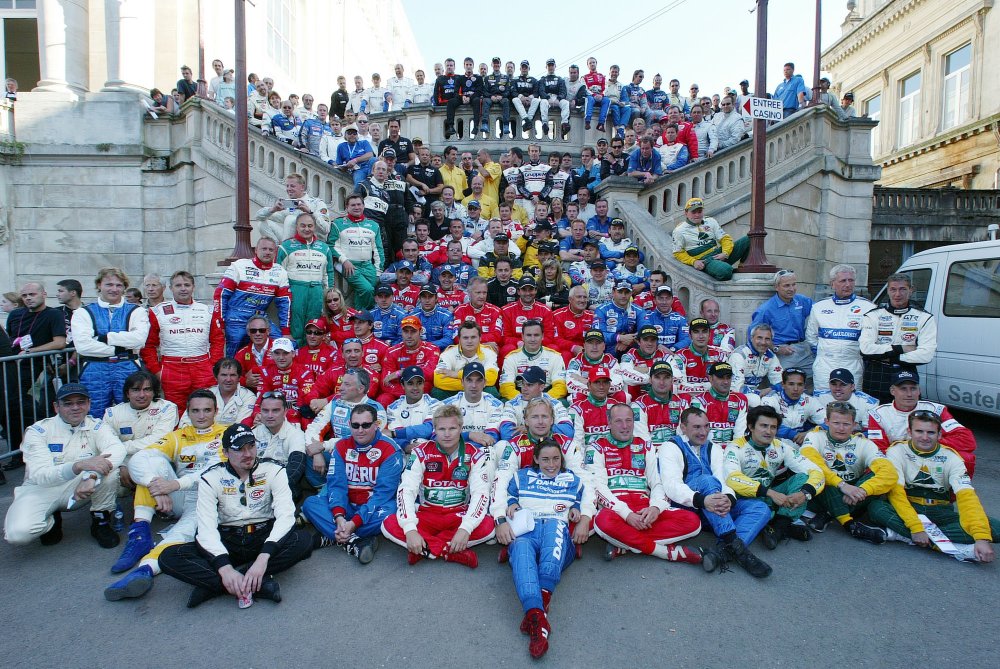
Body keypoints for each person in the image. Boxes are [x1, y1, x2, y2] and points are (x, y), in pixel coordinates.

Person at [157, 423, 314, 608]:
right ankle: (255, 584)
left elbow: (286, 516)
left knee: (303, 541)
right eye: (239, 449)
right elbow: (206, 528)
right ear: (225, 452)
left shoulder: (274, 470)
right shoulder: (211, 477)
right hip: (227, 539)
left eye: (251, 446)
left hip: (262, 536)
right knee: (169, 556)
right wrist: (224, 567)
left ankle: (219, 584)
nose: (247, 454)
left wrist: (263, 558)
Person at [102, 390, 227, 599]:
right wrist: (155, 485)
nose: (201, 415)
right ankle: (140, 533)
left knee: (182, 532)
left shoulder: (228, 433)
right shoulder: (178, 435)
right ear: (188, 412)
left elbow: (217, 469)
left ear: (216, 411)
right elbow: (139, 459)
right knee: (152, 464)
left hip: (209, 498)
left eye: (207, 410)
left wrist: (172, 485)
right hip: (176, 493)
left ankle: (146, 569)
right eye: (195, 410)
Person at [4, 383, 125, 548]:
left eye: (81, 402)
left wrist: (92, 475)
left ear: (89, 404)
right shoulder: (38, 431)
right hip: (42, 488)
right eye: (68, 403)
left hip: (81, 485)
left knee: (109, 470)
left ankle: (100, 522)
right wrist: (78, 466)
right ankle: (52, 519)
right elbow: (41, 475)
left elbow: (117, 449)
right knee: (17, 535)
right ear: (56, 407)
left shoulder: (97, 426)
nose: (75, 407)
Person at [867, 411, 997, 563]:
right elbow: (896, 494)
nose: (925, 437)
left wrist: (981, 537)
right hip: (909, 507)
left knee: (995, 528)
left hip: (941, 511)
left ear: (939, 434)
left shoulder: (952, 457)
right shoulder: (896, 451)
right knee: (876, 508)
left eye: (931, 432)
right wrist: (916, 527)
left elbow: (967, 498)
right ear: (909, 432)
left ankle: (898, 535)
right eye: (919, 431)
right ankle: (956, 548)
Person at [659, 407, 772, 577]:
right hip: (687, 506)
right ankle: (737, 547)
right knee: (707, 480)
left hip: (715, 507)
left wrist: (729, 499)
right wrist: (702, 500)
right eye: (697, 427)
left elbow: (723, 480)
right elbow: (672, 485)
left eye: (706, 426)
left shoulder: (715, 448)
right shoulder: (670, 447)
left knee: (760, 508)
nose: (703, 432)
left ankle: (722, 552)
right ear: (683, 427)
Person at [585, 403, 702, 564]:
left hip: (644, 508)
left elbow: (658, 482)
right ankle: (667, 552)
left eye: (629, 420)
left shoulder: (646, 446)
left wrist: (656, 507)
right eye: (618, 421)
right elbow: (598, 488)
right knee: (602, 521)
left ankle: (625, 543)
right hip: (616, 510)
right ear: (609, 423)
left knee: (693, 521)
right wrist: (627, 514)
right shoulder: (596, 448)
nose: (625, 426)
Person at [381, 405, 496, 567]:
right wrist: (410, 529)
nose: (447, 434)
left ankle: (424, 549)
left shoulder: (475, 454)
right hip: (427, 514)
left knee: (489, 526)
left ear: (461, 428)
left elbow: (481, 494)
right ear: (434, 430)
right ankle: (449, 551)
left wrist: (466, 528)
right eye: (442, 429)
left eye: (452, 428)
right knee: (388, 524)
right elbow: (406, 490)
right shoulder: (420, 452)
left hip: (458, 515)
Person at [503, 438, 586, 658]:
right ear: (536, 459)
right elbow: (508, 496)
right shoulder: (521, 477)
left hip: (555, 533)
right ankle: (537, 618)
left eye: (556, 459)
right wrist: (511, 503)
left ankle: (536, 614)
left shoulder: (573, 480)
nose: (551, 464)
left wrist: (576, 509)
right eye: (546, 459)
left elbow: (581, 501)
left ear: (562, 459)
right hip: (528, 530)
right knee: (520, 547)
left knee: (554, 526)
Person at [302, 405, 403, 563]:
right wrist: (339, 516)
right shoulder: (341, 446)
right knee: (310, 504)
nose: (360, 430)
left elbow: (382, 495)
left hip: (375, 508)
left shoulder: (391, 450)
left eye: (366, 425)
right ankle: (353, 541)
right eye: (355, 425)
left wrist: (355, 522)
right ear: (349, 425)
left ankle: (333, 534)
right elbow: (336, 486)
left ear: (376, 425)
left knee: (393, 512)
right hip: (348, 506)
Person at [724, 405, 825, 549]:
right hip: (743, 500)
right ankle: (783, 527)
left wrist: (805, 494)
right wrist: (770, 493)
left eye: (773, 427)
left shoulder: (780, 446)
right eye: (763, 426)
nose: (769, 431)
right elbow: (732, 478)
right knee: (761, 508)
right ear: (751, 427)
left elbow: (816, 471)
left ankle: (778, 527)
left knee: (803, 478)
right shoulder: (735, 447)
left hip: (769, 497)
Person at [799, 402, 896, 542]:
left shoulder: (864, 443)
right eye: (836, 423)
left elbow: (889, 473)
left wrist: (863, 490)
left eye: (846, 424)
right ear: (827, 422)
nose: (841, 428)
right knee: (818, 473)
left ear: (854, 425)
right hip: (824, 492)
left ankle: (828, 514)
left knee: (879, 476)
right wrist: (842, 485)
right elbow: (809, 460)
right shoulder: (815, 436)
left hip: (853, 493)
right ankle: (850, 525)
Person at [72, 269, 150, 418]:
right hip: (95, 368)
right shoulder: (83, 312)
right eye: (109, 284)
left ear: (124, 287)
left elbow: (139, 340)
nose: (114, 289)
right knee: (95, 414)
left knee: (132, 413)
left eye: (119, 285)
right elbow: (83, 346)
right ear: (99, 285)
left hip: (128, 366)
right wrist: (120, 348)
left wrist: (104, 338)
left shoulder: (137, 311)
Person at [140, 271, 222, 414]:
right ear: (170, 288)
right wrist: (157, 371)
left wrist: (212, 365)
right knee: (175, 412)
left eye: (187, 285)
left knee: (205, 408)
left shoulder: (207, 310)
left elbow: (218, 340)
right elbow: (148, 345)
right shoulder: (157, 312)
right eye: (178, 285)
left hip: (202, 367)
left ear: (193, 287)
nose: (183, 288)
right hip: (172, 368)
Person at [866, 369, 977, 474]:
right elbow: (878, 450)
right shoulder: (878, 414)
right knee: (872, 464)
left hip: (932, 456)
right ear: (892, 391)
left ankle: (956, 488)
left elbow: (967, 441)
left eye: (913, 389)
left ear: (919, 390)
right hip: (899, 460)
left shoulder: (936, 410)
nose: (909, 394)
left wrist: (926, 443)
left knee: (966, 458)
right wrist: (909, 450)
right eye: (903, 389)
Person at [859, 272, 937, 402]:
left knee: (907, 411)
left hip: (907, 371)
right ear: (887, 290)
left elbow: (926, 354)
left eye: (902, 289)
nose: (897, 294)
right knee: (873, 412)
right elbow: (866, 349)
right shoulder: (872, 316)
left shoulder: (924, 317)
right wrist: (901, 348)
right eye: (893, 289)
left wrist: (890, 357)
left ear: (911, 290)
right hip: (876, 373)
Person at [101, 371, 179, 493]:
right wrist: (121, 465)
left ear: (154, 392)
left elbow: (158, 440)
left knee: (155, 467)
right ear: (127, 393)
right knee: (108, 477)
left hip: (153, 458)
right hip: (123, 460)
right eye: (136, 390)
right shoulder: (112, 413)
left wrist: (120, 448)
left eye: (147, 389)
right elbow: (106, 445)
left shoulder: (167, 408)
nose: (142, 395)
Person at [215, 237, 291, 357]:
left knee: (282, 343)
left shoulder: (280, 272)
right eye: (264, 249)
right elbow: (220, 295)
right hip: (236, 316)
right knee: (235, 346)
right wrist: (220, 323)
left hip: (260, 316)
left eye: (271, 250)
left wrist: (286, 331)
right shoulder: (239, 266)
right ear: (256, 250)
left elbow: (285, 303)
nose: (267, 252)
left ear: (275, 252)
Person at [805, 264, 874, 393]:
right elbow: (811, 336)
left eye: (851, 280)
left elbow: (871, 338)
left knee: (851, 400)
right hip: (825, 364)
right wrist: (825, 352)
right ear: (832, 284)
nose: (848, 284)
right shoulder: (819, 307)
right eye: (843, 281)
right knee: (823, 400)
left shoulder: (868, 307)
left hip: (852, 363)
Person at [278, 214, 336, 343]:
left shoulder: (324, 248)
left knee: (314, 325)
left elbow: (329, 273)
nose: (307, 229)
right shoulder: (286, 246)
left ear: (314, 227)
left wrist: (329, 293)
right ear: (297, 227)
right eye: (303, 226)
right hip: (296, 290)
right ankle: (297, 351)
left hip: (317, 291)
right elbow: (279, 272)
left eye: (310, 226)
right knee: (296, 325)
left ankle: (311, 353)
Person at [749, 269, 814, 375]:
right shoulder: (766, 309)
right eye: (786, 285)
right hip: (783, 353)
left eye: (794, 284)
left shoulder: (801, 301)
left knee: (815, 378)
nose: (791, 289)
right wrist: (776, 349)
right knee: (783, 381)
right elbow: (753, 335)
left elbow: (820, 312)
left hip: (804, 349)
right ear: (776, 287)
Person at [671, 198, 750, 281]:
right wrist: (693, 262)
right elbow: (678, 252)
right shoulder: (679, 230)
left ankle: (743, 267)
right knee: (726, 271)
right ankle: (720, 268)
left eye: (699, 212)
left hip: (719, 254)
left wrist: (725, 253)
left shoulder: (710, 221)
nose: (697, 215)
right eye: (693, 212)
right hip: (705, 261)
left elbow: (725, 239)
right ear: (686, 213)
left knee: (750, 239)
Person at [329, 194, 384, 310]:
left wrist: (378, 270)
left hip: (368, 266)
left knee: (363, 293)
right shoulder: (338, 223)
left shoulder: (374, 225)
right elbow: (331, 245)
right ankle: (366, 316)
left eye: (359, 204)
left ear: (364, 206)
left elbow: (378, 250)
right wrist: (344, 261)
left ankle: (359, 317)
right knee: (367, 290)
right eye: (353, 205)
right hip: (349, 266)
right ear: (347, 207)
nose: (356, 207)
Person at [248, 338, 316, 429]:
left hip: (295, 414)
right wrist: (258, 414)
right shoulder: (266, 372)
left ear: (293, 354)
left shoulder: (305, 372)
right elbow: (261, 398)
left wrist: (281, 412)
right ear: (272, 355)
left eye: (285, 353)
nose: (281, 357)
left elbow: (304, 401)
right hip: (271, 413)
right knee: (247, 422)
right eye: (277, 353)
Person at [251, 392, 307, 494]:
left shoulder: (296, 434)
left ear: (285, 412)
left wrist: (269, 489)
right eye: (265, 410)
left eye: (275, 410)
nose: (270, 415)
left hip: (282, 488)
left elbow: (296, 468)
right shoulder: (253, 433)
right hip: (254, 486)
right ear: (260, 412)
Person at [379, 315, 441, 406]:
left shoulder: (432, 349)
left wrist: (401, 372)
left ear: (420, 331)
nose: (409, 335)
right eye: (405, 331)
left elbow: (430, 373)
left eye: (413, 331)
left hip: (423, 392)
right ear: (401, 332)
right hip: (399, 393)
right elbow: (386, 383)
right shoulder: (391, 352)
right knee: (384, 399)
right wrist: (406, 392)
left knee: (429, 387)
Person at [499, 319, 567, 400]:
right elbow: (506, 387)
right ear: (522, 337)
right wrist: (523, 399)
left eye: (536, 335)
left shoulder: (555, 357)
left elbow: (560, 386)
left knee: (563, 403)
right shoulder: (511, 358)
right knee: (504, 402)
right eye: (528, 335)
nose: (532, 339)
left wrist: (542, 400)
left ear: (542, 336)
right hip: (521, 395)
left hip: (547, 395)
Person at [687, 362, 749, 448]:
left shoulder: (740, 400)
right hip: (706, 449)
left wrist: (733, 451)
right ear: (710, 378)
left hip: (731, 450)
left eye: (728, 377)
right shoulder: (699, 401)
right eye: (721, 378)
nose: (726, 382)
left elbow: (740, 434)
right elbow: (697, 434)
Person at [255, 173, 331, 243]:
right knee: (262, 223)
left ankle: (287, 249)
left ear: (302, 187)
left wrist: (310, 212)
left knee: (290, 219)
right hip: (292, 242)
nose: (289, 189)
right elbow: (258, 217)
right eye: (287, 186)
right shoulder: (288, 205)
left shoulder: (317, 203)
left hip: (314, 244)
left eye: (292, 186)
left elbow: (326, 229)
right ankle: (279, 249)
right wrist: (273, 209)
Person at [181, 357, 257, 427]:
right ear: (216, 377)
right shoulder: (204, 394)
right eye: (224, 375)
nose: (228, 379)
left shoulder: (248, 397)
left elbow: (240, 427)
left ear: (239, 378)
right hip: (202, 435)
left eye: (232, 375)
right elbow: (184, 423)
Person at [761, 368, 827, 445]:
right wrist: (794, 435)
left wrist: (810, 433)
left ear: (804, 386)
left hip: (801, 442)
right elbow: (765, 424)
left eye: (800, 384)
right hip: (773, 442)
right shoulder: (770, 399)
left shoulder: (810, 401)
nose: (796, 389)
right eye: (791, 384)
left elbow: (829, 422)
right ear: (783, 385)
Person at [386, 366, 443, 454]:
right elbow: (395, 438)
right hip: (403, 453)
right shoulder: (393, 408)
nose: (415, 387)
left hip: (430, 452)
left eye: (419, 383)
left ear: (423, 384)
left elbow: (428, 429)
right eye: (410, 383)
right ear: (403, 385)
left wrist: (395, 433)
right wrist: (406, 446)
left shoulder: (435, 404)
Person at [434, 322, 499, 397]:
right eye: (465, 338)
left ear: (480, 338)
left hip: (478, 391)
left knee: (491, 391)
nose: (469, 341)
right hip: (456, 390)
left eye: (473, 337)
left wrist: (457, 374)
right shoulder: (448, 353)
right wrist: (472, 384)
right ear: (459, 339)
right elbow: (438, 379)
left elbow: (491, 378)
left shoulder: (489, 353)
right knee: (437, 392)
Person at [728, 323, 783, 401]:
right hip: (735, 396)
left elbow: (781, 382)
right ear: (751, 338)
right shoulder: (739, 355)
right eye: (759, 338)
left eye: (767, 339)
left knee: (777, 399)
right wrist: (757, 393)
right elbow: (736, 387)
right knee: (757, 401)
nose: (763, 342)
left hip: (757, 394)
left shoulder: (770, 356)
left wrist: (771, 389)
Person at [671, 318, 727, 394]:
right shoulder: (680, 356)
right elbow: (678, 387)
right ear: (690, 336)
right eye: (696, 332)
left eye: (704, 331)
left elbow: (725, 384)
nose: (701, 336)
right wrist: (710, 386)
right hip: (689, 399)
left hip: (713, 398)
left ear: (709, 335)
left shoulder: (720, 355)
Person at [592, 280, 646, 356]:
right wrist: (619, 338)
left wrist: (629, 341)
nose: (623, 296)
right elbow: (597, 334)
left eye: (627, 292)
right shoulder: (601, 310)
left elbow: (645, 329)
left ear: (631, 293)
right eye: (620, 292)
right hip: (607, 349)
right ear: (613, 292)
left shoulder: (639, 310)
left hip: (632, 347)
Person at [234, 316, 275, 392]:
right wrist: (245, 382)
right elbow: (233, 376)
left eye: (262, 330)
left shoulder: (279, 349)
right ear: (248, 333)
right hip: (251, 394)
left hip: (276, 392)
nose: (257, 334)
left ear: (268, 331)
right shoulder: (241, 353)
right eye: (253, 331)